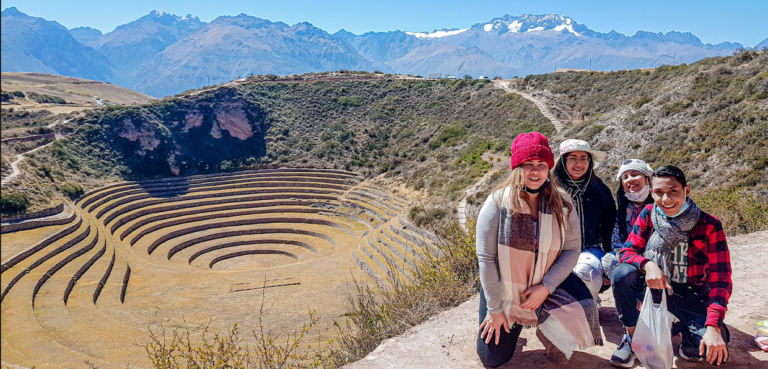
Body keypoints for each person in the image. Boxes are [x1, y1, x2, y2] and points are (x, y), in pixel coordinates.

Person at [476, 132, 602, 368]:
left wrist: (546, 287)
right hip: (507, 285)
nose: (535, 171)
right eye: (528, 165)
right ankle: (513, 319)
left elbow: (572, 249)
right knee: (493, 358)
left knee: (584, 306)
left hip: (546, 278)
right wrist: (494, 309)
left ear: (548, 168)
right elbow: (487, 258)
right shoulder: (497, 203)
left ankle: (548, 334)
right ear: (517, 168)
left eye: (541, 165)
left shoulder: (562, 203)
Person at [610, 165, 732, 367]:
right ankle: (632, 336)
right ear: (651, 193)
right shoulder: (648, 214)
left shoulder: (709, 224)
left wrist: (713, 327)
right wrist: (647, 264)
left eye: (673, 191)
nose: (666, 200)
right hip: (654, 290)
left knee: (709, 351)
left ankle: (683, 329)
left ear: (687, 190)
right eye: (659, 193)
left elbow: (721, 280)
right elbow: (626, 252)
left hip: (691, 295)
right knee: (622, 273)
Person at [552, 139, 616, 300]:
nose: (578, 163)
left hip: (591, 248)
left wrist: (609, 252)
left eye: (583, 158)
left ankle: (589, 304)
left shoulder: (599, 188)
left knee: (590, 270)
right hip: (560, 250)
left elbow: (610, 221)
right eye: (573, 158)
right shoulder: (551, 190)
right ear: (563, 161)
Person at [602, 159, 655, 280]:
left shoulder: (661, 206)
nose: (630, 179)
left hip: (656, 256)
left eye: (635, 174)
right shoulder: (622, 211)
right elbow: (616, 243)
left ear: (648, 179)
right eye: (625, 177)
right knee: (609, 262)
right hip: (630, 256)